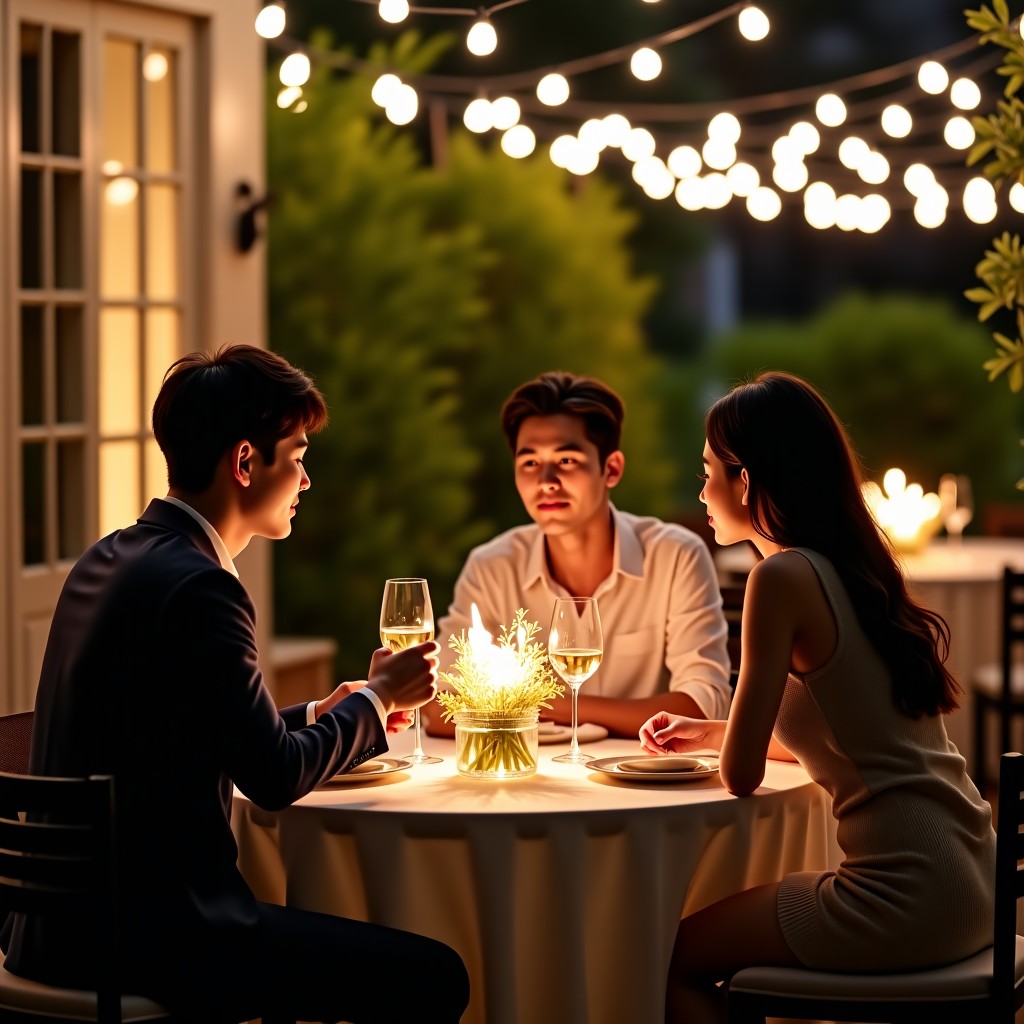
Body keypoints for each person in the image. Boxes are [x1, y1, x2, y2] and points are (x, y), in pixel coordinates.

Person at [2, 344, 470, 1024]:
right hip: (160, 941)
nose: (306, 481)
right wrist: (379, 699)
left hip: (46, 935)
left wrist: (317, 711)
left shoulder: (110, 557)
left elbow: (175, 728)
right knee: (436, 976)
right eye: (300, 457)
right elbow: (274, 777)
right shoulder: (203, 587)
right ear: (246, 462)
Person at [639, 371, 996, 1024]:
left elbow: (741, 778)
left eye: (709, 470)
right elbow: (852, 736)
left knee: (683, 954)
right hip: (974, 876)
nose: (703, 491)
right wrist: (712, 731)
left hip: (905, 896)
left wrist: (729, 744)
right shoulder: (850, 571)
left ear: (745, 480)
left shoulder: (780, 578)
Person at [427, 370, 732, 739]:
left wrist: (533, 704)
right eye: (530, 464)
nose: (546, 481)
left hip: (644, 780)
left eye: (567, 460)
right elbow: (440, 705)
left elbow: (703, 708)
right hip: (532, 780)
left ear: (612, 468)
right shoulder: (492, 566)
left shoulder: (675, 557)